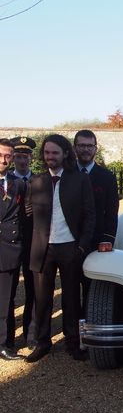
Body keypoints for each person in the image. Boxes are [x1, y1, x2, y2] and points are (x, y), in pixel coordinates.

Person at [25, 134, 95, 363]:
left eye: (54, 152)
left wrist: (82, 247)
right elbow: (27, 215)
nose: (49, 157)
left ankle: (73, 342)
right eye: (46, 153)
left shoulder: (79, 179)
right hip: (43, 249)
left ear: (65, 153)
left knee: (71, 298)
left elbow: (89, 215)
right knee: (42, 299)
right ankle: (42, 342)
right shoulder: (36, 182)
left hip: (70, 247)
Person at [73, 129, 119, 312]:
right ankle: (73, 332)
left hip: (97, 242)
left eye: (89, 146)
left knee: (94, 287)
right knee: (70, 289)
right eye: (82, 146)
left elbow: (112, 212)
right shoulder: (66, 175)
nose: (85, 150)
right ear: (75, 148)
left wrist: (107, 239)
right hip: (71, 241)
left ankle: (93, 327)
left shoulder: (107, 177)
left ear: (95, 149)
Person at [6, 136, 36, 348]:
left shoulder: (40, 181)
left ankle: (30, 334)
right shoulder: (6, 182)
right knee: (8, 292)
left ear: (31, 158)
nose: (21, 161)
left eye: (25, 156)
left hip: (35, 243)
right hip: (10, 244)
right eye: (17, 156)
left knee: (34, 291)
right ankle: (7, 338)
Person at [0, 139, 28, 361]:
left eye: (8, 156)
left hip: (8, 249)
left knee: (5, 300)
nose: (4, 159)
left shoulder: (17, 184)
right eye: (1, 154)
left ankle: (5, 343)